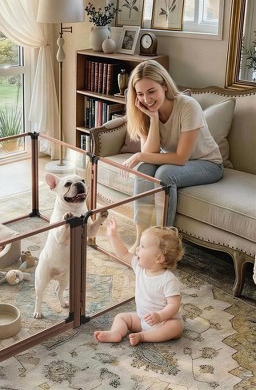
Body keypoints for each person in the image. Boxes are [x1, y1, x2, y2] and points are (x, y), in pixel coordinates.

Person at [122, 60, 223, 253]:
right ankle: (141, 240)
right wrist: (153, 118)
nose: (146, 99)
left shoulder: (188, 106)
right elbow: (150, 155)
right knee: (144, 169)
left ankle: (163, 245)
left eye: (151, 91)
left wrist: (138, 155)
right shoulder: (145, 111)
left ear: (165, 86)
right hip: (179, 164)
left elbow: (180, 158)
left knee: (164, 175)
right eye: (140, 94)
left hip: (208, 164)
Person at [94, 218, 184, 346]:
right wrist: (113, 236)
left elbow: (174, 305)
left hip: (164, 322)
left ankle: (143, 336)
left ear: (158, 258)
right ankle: (116, 333)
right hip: (142, 319)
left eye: (142, 247)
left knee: (175, 327)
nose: (137, 249)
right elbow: (124, 254)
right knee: (121, 317)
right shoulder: (139, 267)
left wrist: (159, 316)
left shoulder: (168, 280)